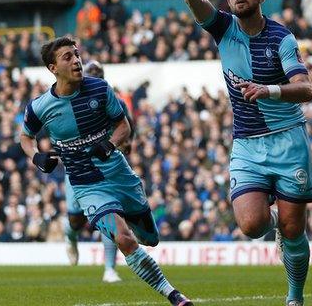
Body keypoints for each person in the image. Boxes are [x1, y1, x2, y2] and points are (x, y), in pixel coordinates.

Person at [180, 0, 312, 305]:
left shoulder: (281, 37)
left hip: (288, 141)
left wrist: (267, 89)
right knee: (252, 225)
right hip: (247, 145)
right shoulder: (223, 28)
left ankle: (295, 296)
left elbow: (306, 89)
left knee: (293, 230)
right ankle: (276, 222)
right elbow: (195, 2)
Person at [21, 36, 193, 306]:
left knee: (151, 239)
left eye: (76, 54)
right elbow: (24, 137)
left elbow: (123, 125)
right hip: (87, 185)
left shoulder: (100, 89)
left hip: (119, 175)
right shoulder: (40, 106)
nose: (76, 60)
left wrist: (111, 143)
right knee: (124, 238)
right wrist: (36, 157)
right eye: (68, 57)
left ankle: (124, 242)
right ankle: (174, 296)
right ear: (53, 68)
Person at [62, 60, 135, 283]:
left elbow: (127, 137)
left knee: (109, 214)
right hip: (77, 168)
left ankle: (109, 269)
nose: (94, 77)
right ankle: (70, 236)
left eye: (98, 74)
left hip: (107, 168)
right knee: (76, 219)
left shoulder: (115, 102)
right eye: (90, 73)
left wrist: (115, 146)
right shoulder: (68, 102)